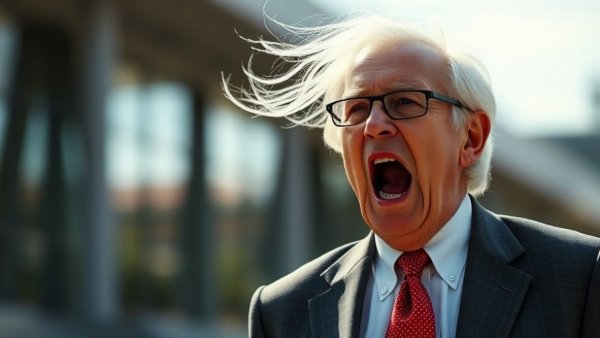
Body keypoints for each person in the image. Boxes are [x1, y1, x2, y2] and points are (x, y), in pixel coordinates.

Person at [222, 15, 600, 337]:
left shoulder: (578, 279)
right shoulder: (281, 312)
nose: (373, 125)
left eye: (404, 102)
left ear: (470, 137)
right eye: (355, 109)